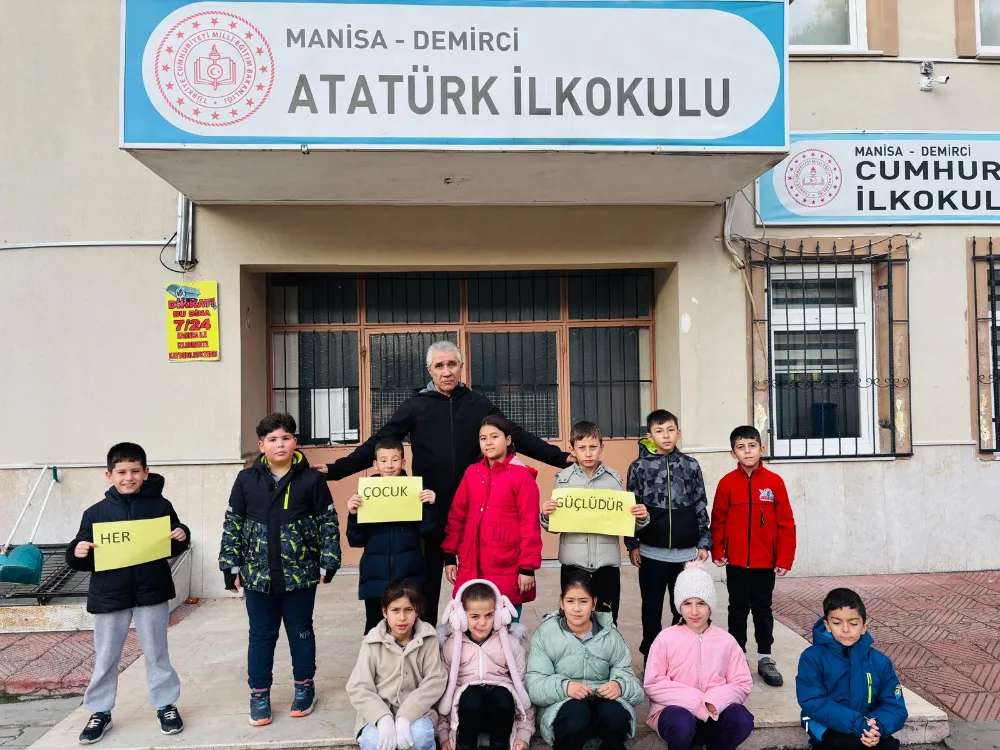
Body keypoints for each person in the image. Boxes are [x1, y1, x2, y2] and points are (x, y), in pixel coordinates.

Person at [313, 340, 570, 625]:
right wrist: (335, 469)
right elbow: (380, 441)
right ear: (430, 370)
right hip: (429, 510)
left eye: (451, 364)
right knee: (425, 588)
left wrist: (561, 458)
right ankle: (425, 641)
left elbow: (515, 434)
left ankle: (484, 638)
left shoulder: (477, 404)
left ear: (461, 367)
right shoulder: (416, 405)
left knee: (481, 582)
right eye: (439, 365)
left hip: (474, 509)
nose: (446, 371)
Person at [218, 413, 341, 727]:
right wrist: (229, 565)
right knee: (261, 635)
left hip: (299, 575)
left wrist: (329, 559)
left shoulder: (311, 480)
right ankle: (259, 693)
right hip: (258, 576)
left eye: (285, 438)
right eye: (272, 439)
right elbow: (233, 523)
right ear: (261, 446)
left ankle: (304, 686)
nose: (280, 444)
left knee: (301, 632)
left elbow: (327, 522)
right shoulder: (247, 480)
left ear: (295, 442)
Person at [67, 443, 190, 744]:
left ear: (146, 473)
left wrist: (182, 534)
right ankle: (100, 711)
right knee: (106, 656)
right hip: (109, 596)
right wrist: (77, 551)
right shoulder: (94, 513)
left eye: (135, 471)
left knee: (157, 652)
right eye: (121, 472)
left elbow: (173, 541)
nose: (129, 477)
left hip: (151, 592)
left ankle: (165, 704)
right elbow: (81, 552)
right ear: (109, 475)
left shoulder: (160, 506)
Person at [711, 425, 797, 687]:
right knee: (737, 609)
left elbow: (786, 523)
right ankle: (736, 658)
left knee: (763, 609)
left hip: (764, 562)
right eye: (741, 447)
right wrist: (718, 550)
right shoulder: (726, 483)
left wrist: (784, 558)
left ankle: (765, 658)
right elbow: (718, 521)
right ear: (732, 453)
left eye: (752, 446)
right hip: (736, 562)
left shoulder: (774, 482)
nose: (747, 451)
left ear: (762, 449)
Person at [541, 420, 649, 625]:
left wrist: (640, 518)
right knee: (574, 619)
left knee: (608, 619)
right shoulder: (563, 479)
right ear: (572, 449)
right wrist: (546, 516)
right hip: (573, 563)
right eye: (582, 448)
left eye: (593, 447)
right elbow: (555, 525)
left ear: (602, 447)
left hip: (606, 564)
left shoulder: (614, 479)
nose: (588, 453)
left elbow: (623, 521)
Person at [625, 409, 711, 660]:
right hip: (651, 554)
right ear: (649, 436)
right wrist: (632, 544)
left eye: (671, 430)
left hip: (685, 556)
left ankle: (680, 657)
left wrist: (704, 541)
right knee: (651, 609)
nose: (666, 436)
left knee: (683, 608)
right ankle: (652, 657)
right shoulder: (638, 467)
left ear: (678, 433)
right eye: (659, 431)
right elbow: (631, 508)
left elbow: (700, 503)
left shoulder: (690, 465)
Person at [526, 571, 645, 750]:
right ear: (561, 602)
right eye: (570, 601)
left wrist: (619, 686)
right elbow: (535, 685)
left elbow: (634, 687)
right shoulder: (545, 635)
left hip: (601, 700)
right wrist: (565, 686)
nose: (576, 608)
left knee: (616, 717)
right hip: (564, 706)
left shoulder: (611, 636)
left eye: (583, 601)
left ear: (594, 603)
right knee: (577, 716)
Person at [644, 561, 755, 750]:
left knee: (742, 718)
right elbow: (653, 683)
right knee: (682, 724)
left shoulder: (726, 641)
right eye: (687, 603)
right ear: (679, 606)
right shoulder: (665, 638)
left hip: (714, 713)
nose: (694, 611)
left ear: (710, 605)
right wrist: (696, 701)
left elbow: (742, 683)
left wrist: (715, 700)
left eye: (701, 603)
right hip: (676, 715)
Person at [442, 416, 542, 622]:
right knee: (472, 625)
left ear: (508, 439)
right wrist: (450, 556)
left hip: (506, 565)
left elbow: (530, 525)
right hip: (471, 565)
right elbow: (457, 516)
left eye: (494, 437)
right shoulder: (472, 473)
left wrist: (527, 568)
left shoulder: (521, 476)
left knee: (506, 627)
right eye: (483, 438)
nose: (488, 442)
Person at [796, 589, 908, 750]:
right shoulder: (812, 657)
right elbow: (814, 701)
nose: (845, 629)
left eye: (853, 623)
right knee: (845, 744)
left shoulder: (880, 662)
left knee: (887, 746)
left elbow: (895, 706)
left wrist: (877, 726)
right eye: (837, 623)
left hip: (866, 723)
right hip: (826, 723)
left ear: (863, 627)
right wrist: (857, 724)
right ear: (827, 625)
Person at [347, 437, 437, 634]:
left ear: (403, 463)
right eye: (383, 460)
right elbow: (356, 540)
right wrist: (353, 515)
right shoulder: (366, 495)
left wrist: (430, 507)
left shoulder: (415, 492)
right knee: (375, 631)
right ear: (375, 465)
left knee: (410, 631)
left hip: (409, 576)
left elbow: (428, 532)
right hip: (375, 578)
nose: (389, 465)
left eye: (395, 459)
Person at [347, 580, 448, 750]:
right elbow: (358, 687)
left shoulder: (428, 639)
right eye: (395, 610)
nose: (402, 617)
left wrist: (406, 716)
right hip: (380, 712)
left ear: (417, 611)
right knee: (373, 741)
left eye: (408, 610)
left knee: (419, 736)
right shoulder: (372, 642)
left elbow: (435, 681)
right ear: (385, 612)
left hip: (418, 713)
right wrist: (382, 718)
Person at [436, 579, 535, 750]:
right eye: (474, 616)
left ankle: (499, 745)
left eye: (489, 615)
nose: (482, 623)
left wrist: (523, 733)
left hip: (501, 717)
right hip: (465, 715)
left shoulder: (509, 644)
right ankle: (465, 745)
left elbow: (524, 686)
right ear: (461, 617)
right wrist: (444, 734)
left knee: (502, 696)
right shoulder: (452, 646)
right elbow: (443, 691)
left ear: (498, 615)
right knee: (471, 696)